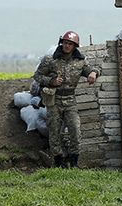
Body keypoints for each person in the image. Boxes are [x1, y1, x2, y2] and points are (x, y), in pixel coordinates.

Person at [34, 31, 100, 168]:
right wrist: (51, 81)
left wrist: (94, 73)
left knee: (75, 130)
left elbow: (91, 70)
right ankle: (58, 161)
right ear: (61, 43)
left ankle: (74, 161)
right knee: (54, 131)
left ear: (75, 46)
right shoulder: (50, 60)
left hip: (70, 100)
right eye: (65, 43)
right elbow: (37, 76)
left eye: (70, 44)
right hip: (54, 99)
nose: (67, 46)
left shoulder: (80, 61)